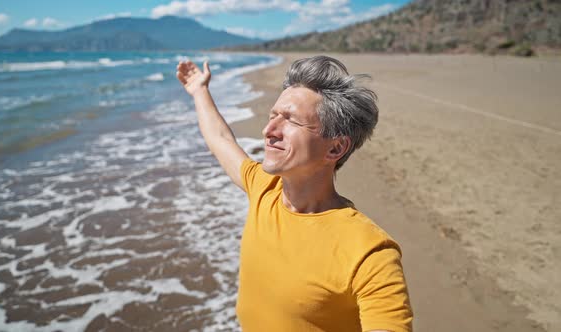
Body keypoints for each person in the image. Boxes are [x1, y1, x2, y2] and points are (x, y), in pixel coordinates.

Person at [176, 55, 413, 332]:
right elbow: (220, 139)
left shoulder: (369, 252)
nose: (269, 131)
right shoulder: (265, 188)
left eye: (290, 121)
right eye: (273, 116)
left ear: (335, 148)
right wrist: (199, 90)